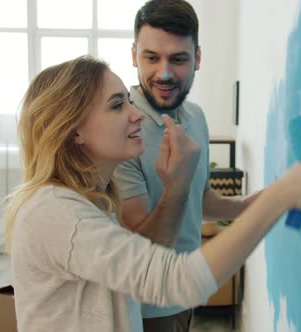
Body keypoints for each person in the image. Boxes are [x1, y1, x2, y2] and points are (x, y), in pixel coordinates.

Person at [5, 55, 301, 332]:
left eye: (129, 102)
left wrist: (267, 198)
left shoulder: (93, 202)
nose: (135, 115)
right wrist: (280, 196)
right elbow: (177, 280)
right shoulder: (56, 212)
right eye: (118, 105)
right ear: (74, 129)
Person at [115, 1, 261, 329]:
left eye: (178, 59)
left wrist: (247, 207)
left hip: (186, 295)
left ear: (197, 58)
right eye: (151, 57)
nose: (164, 73)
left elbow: (200, 197)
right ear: (134, 55)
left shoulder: (195, 116)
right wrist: (176, 184)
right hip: (144, 310)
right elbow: (142, 251)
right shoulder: (120, 129)